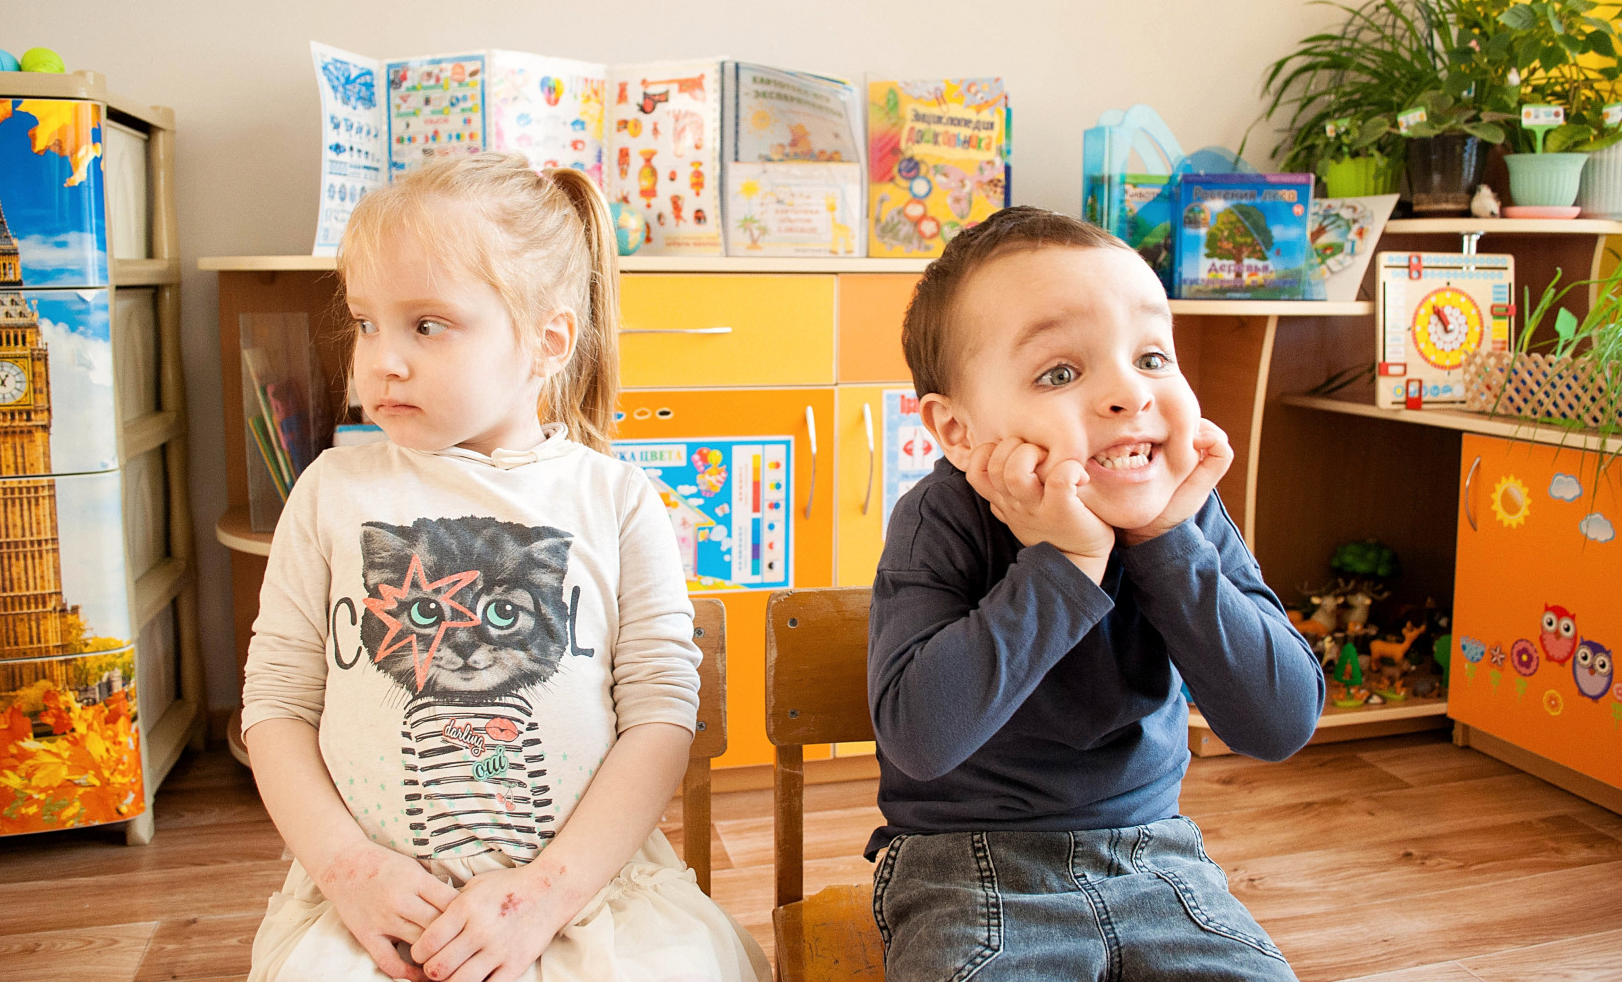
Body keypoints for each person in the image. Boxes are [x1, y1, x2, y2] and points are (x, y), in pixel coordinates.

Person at [242, 153, 769, 982]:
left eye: (427, 324)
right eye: (367, 322)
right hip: (376, 902)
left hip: (588, 893)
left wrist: (548, 893)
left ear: (546, 341)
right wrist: (351, 871)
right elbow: (274, 705)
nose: (383, 359)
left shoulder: (619, 501)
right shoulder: (329, 494)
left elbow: (661, 713)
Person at [866, 206, 1324, 981]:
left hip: (1159, 857)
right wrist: (1067, 560)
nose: (1127, 394)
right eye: (1061, 372)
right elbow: (921, 737)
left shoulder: (1183, 511)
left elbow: (1279, 722)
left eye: (1151, 357)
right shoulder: (939, 518)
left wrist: (1168, 544)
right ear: (957, 431)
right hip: (963, 868)